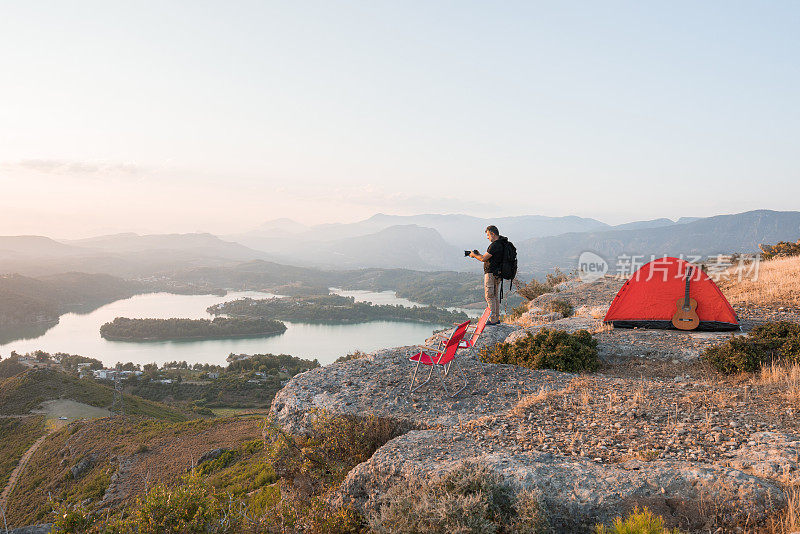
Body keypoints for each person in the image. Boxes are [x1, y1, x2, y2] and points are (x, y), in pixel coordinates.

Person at [468, 225, 504, 325]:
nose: (487, 237)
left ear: (493, 233)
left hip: (491, 274)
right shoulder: (502, 243)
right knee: (495, 296)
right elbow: (486, 257)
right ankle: (496, 318)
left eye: (488, 235)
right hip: (498, 274)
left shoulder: (494, 245)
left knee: (489, 296)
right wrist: (478, 254)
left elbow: (483, 259)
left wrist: (474, 255)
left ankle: (493, 319)